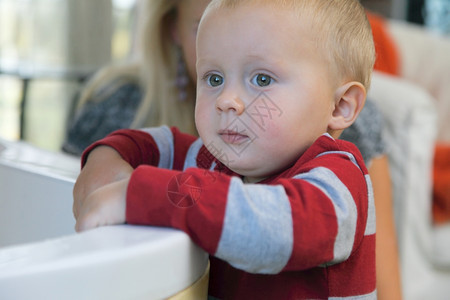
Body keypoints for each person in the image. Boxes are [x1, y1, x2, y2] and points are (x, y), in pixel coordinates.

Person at [68, 1, 403, 299]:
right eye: (214, 78)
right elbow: (156, 145)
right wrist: (107, 156)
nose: (227, 100)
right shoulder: (216, 161)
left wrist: (144, 196)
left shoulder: (339, 181)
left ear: (341, 105)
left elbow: (275, 228)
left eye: (261, 79)